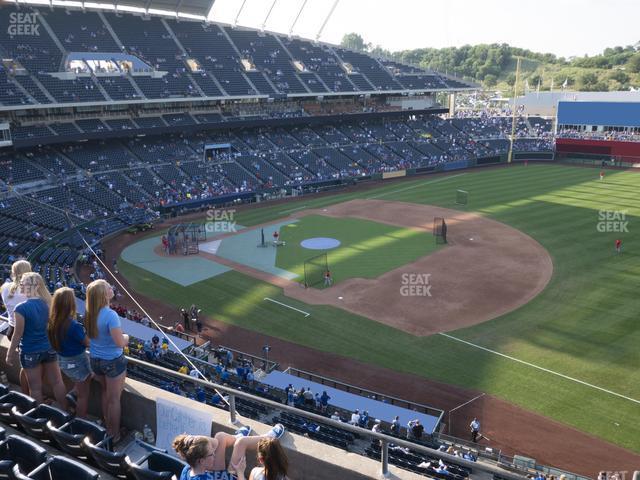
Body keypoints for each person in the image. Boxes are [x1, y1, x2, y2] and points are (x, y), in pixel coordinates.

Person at [5, 272, 68, 409]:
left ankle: (40, 417)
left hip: (30, 352)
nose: (20, 285)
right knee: (57, 382)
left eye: (23, 283)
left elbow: (17, 334)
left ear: (32, 286)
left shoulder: (21, 308)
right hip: (49, 348)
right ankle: (67, 411)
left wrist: (10, 354)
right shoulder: (48, 303)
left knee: (35, 388)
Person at [85, 280, 129, 442]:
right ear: (103, 295)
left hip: (95, 359)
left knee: (105, 393)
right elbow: (119, 342)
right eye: (108, 287)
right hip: (111, 361)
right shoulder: (111, 315)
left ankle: (107, 426)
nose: (112, 288)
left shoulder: (90, 312)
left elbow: (90, 338)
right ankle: (114, 434)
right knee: (114, 399)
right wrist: (126, 337)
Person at [173, 423, 285, 480]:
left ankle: (238, 436)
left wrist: (192, 441)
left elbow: (215, 443)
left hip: (217, 475)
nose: (214, 453)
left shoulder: (187, 469)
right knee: (241, 443)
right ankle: (268, 438)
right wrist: (240, 472)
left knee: (220, 437)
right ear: (201, 461)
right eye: (211, 454)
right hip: (230, 477)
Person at [48, 287, 92, 418]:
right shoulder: (73, 325)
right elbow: (88, 343)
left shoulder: (52, 321)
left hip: (62, 360)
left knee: (88, 376)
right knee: (84, 396)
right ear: (70, 304)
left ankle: (72, 393)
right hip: (77, 362)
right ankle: (81, 421)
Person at [0, 260, 32, 392]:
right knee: (29, 369)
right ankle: (30, 395)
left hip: (12, 330)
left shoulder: (4, 287)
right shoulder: (30, 289)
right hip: (27, 332)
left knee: (27, 367)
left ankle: (28, 394)